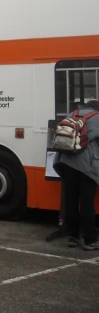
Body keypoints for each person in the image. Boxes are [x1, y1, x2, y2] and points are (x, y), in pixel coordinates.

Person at [54, 100, 99, 251]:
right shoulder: (97, 117)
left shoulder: (72, 114)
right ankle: (90, 240)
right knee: (87, 203)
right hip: (86, 166)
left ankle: (73, 237)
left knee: (71, 200)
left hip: (66, 162)